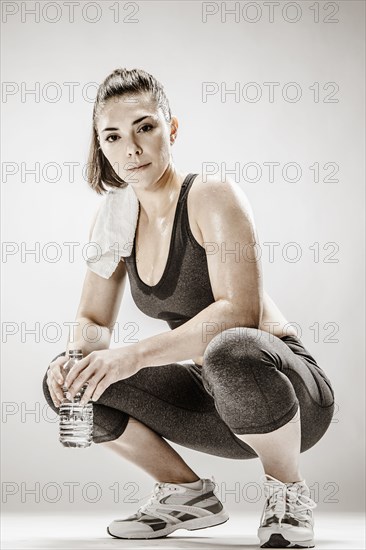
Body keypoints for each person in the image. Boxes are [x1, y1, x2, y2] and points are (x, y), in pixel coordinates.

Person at [42, 68, 335, 548]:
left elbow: (239, 314)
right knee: (69, 379)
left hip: (285, 393)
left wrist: (132, 355)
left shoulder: (211, 197)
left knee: (231, 349)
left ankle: (287, 490)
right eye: (113, 136)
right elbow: (92, 321)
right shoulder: (115, 215)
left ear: (171, 129)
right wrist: (76, 359)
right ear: (101, 145)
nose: (131, 148)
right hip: (214, 403)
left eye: (145, 127)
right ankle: (186, 495)